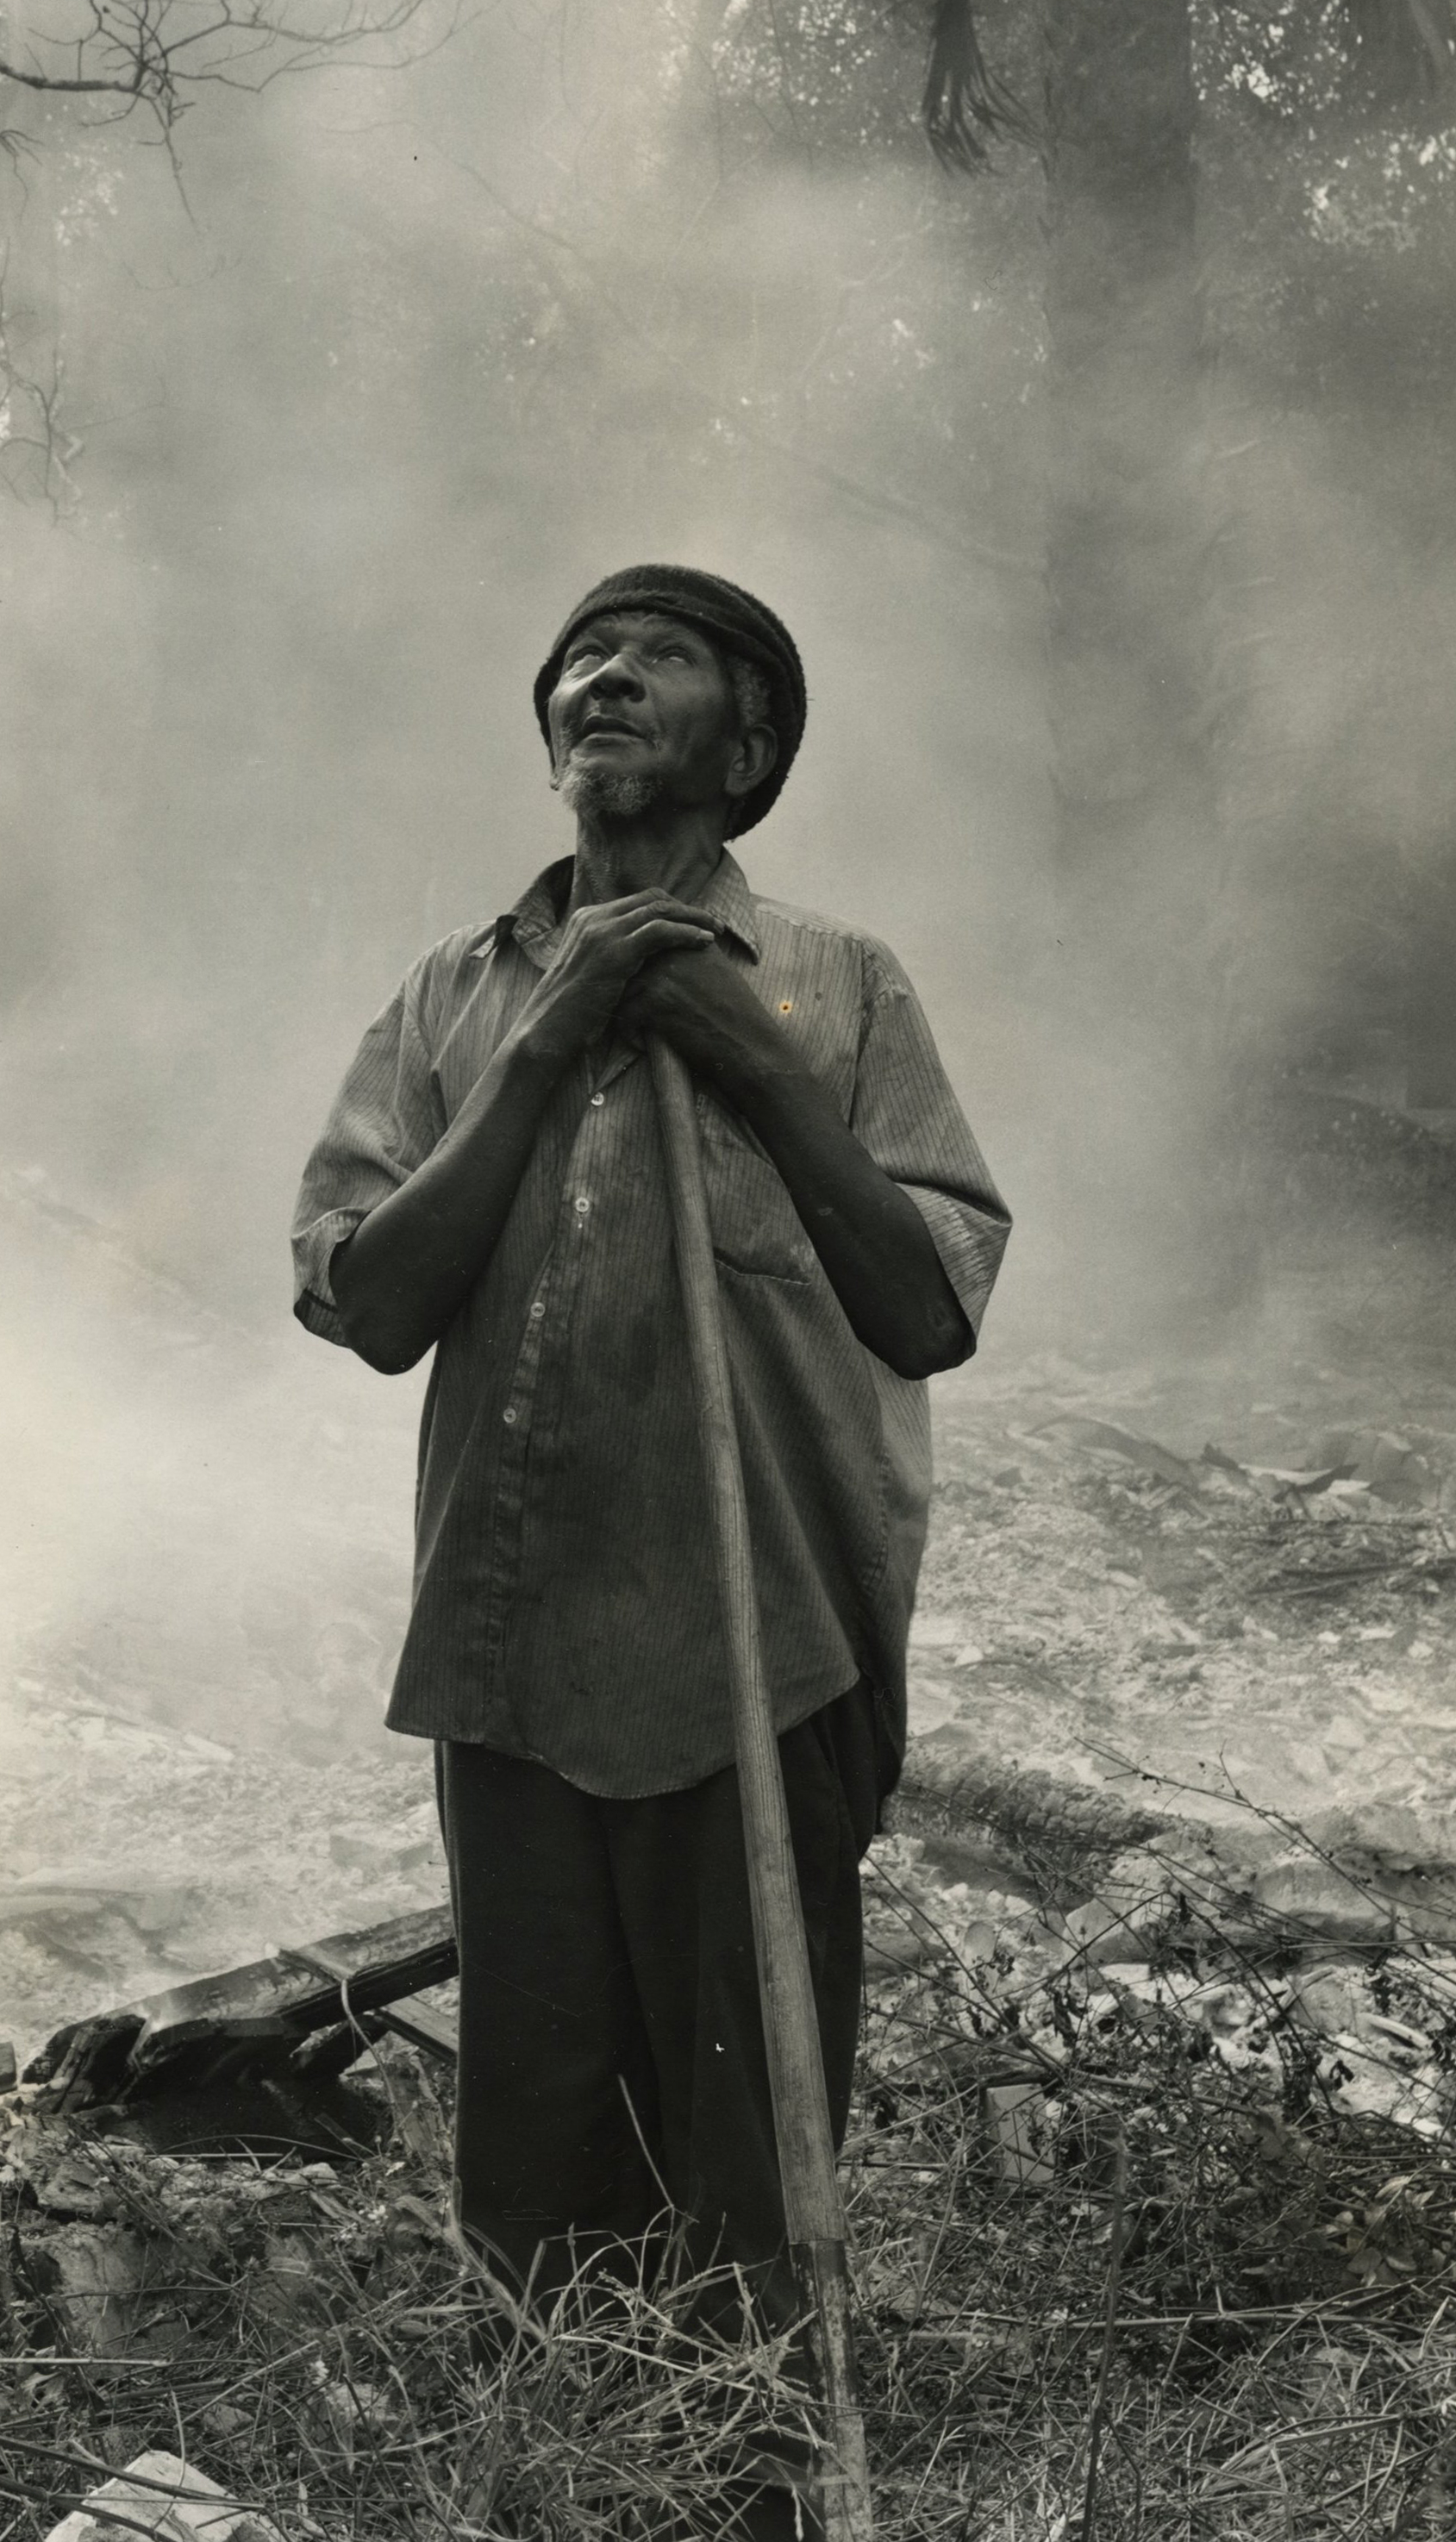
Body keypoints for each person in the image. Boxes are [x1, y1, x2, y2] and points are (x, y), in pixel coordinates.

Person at [291, 562, 1008, 2443]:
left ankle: (766, 2487)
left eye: (660, 659)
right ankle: (562, 2505)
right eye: (579, 662)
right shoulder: (456, 995)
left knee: (756, 2145)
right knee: (536, 2136)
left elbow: (929, 1301)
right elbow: (369, 1304)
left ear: (745, 744)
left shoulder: (842, 984)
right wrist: (549, 1047)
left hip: (771, 1639)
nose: (602, 678)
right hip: (516, 1640)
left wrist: (743, 1053)